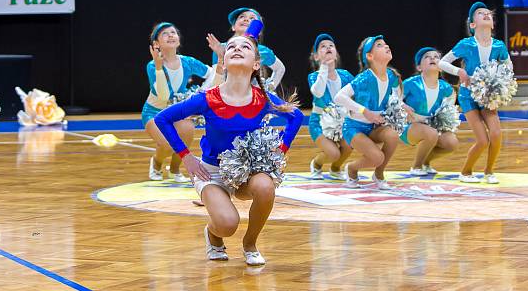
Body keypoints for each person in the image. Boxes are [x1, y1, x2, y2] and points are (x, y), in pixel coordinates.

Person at [153, 25, 303, 266]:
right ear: (223, 59)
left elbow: (296, 117)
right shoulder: (207, 98)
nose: (236, 48)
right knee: (227, 224)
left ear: (256, 64)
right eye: (231, 46)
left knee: (265, 186)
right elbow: (163, 118)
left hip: (248, 172)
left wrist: (281, 149)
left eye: (244, 47)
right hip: (212, 173)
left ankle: (250, 243)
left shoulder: (262, 98)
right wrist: (187, 157)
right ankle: (213, 235)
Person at [438, 2, 512, 184]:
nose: (486, 15)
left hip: (488, 96)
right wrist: (459, 72)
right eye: (480, 13)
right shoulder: (466, 44)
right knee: (482, 140)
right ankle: (466, 172)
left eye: (488, 13)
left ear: (493, 24)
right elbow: (442, 63)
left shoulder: (499, 46)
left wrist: (501, 79)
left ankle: (489, 171)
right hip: (467, 95)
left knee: (496, 133)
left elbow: (508, 66)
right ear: (472, 24)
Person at [142, 22, 223, 182]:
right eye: (165, 33)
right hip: (154, 112)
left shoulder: (187, 62)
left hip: (177, 112)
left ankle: (174, 169)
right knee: (167, 144)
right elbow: (163, 97)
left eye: (173, 32)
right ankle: (156, 163)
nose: (171, 35)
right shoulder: (152, 66)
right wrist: (159, 67)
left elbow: (212, 76)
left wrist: (199, 93)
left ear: (178, 39)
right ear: (156, 44)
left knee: (187, 132)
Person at [334, 35, 400, 189]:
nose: (385, 46)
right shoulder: (364, 78)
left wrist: (402, 105)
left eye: (385, 43)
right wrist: (365, 111)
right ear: (370, 56)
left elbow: (395, 94)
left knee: (392, 135)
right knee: (377, 157)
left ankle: (379, 175)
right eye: (379, 45)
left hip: (373, 128)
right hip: (354, 128)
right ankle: (351, 168)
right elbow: (339, 97)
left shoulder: (391, 75)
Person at [400, 47, 458, 175]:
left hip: (430, 125)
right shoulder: (411, 83)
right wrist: (404, 108)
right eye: (427, 57)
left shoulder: (445, 87)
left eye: (436, 57)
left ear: (441, 66)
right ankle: (416, 167)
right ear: (419, 67)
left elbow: (451, 98)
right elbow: (393, 98)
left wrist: (445, 115)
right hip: (408, 126)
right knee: (431, 134)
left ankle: (426, 162)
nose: (432, 58)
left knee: (451, 142)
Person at [307, 33, 353, 179]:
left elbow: (358, 94)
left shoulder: (345, 75)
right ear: (316, 56)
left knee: (349, 145)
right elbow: (319, 93)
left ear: (336, 54)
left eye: (331, 46)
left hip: (341, 122)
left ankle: (335, 168)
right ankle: (316, 164)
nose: (328, 48)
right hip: (319, 123)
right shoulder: (314, 76)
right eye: (323, 47)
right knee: (334, 153)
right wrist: (324, 68)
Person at [205, 8, 285, 90]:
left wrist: (270, 88)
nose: (246, 19)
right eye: (241, 17)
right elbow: (214, 80)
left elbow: (280, 69)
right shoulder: (221, 48)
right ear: (233, 27)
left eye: (252, 18)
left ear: (258, 30)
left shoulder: (262, 51)